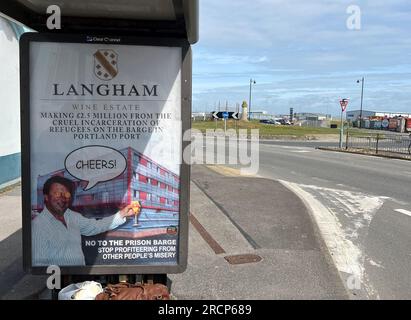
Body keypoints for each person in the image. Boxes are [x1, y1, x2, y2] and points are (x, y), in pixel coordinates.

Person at [32, 176, 139, 266]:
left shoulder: (73, 216)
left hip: (78, 279)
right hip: (58, 282)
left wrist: (122, 214)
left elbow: (95, 227)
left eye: (67, 194)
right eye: (57, 194)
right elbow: (39, 265)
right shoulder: (38, 225)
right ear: (46, 197)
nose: (63, 198)